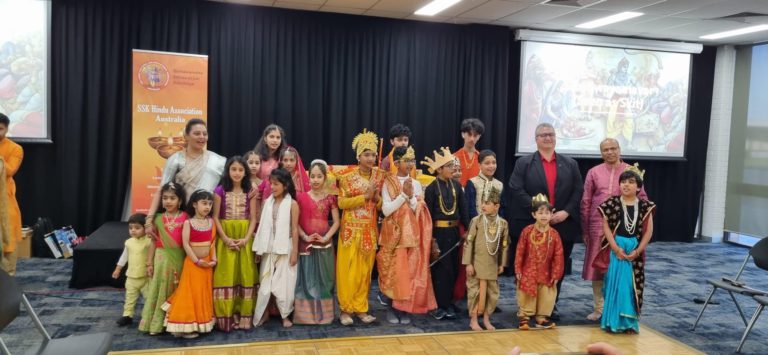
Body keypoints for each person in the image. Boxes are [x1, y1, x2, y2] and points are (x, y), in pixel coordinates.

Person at [507, 122, 582, 320]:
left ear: (555, 137)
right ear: (536, 139)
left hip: (563, 224)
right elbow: (516, 188)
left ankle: (550, 306)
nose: (547, 138)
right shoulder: (524, 163)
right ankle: (526, 306)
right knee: (528, 266)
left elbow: (578, 191)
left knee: (557, 266)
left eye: (551, 134)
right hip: (530, 224)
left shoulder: (570, 163)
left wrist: (566, 212)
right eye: (543, 135)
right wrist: (540, 210)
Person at [580, 138, 647, 321]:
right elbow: (586, 201)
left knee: (621, 267)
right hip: (597, 227)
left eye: (613, 148)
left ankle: (617, 306)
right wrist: (585, 229)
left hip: (624, 230)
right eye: (605, 149)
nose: (609, 152)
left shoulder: (630, 171)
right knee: (598, 269)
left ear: (619, 149)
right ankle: (599, 308)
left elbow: (643, 200)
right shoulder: (594, 172)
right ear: (601, 153)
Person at [377, 146, 436, 324]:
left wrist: (411, 197)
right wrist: (404, 194)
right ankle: (391, 308)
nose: (411, 164)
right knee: (393, 273)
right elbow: (386, 210)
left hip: (411, 236)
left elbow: (417, 208)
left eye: (412, 160)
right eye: (407, 160)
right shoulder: (388, 182)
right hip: (393, 236)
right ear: (396, 163)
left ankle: (405, 310)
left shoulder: (416, 183)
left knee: (408, 274)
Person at [599, 164, 655, 334]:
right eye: (623, 181)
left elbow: (648, 231)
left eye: (631, 182)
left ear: (638, 187)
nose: (626, 185)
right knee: (614, 285)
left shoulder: (646, 206)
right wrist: (616, 248)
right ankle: (612, 321)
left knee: (631, 286)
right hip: (617, 250)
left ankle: (629, 323)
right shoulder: (611, 203)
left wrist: (637, 252)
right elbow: (606, 227)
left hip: (634, 251)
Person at [336, 129, 385, 326]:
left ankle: (361, 308)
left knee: (365, 272)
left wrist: (376, 198)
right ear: (358, 156)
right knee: (347, 271)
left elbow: (381, 207)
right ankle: (345, 310)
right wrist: (363, 197)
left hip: (368, 230)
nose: (371, 158)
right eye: (366, 154)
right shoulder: (347, 178)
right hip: (350, 231)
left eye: (373, 154)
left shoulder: (380, 177)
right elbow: (341, 203)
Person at [145, 119, 225, 238]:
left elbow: (229, 188)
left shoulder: (218, 161)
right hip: (180, 218)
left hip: (206, 219)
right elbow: (162, 190)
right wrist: (149, 220)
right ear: (186, 136)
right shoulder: (176, 159)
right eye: (197, 133)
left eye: (205, 133)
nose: (202, 137)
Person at [212, 156, 259, 331]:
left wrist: (247, 238)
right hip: (226, 237)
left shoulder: (250, 191)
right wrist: (224, 239)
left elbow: (254, 218)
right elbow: (215, 217)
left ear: (245, 172)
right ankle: (227, 315)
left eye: (240, 170)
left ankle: (244, 314)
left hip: (244, 237)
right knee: (227, 273)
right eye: (234, 169)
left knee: (245, 273)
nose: (237, 173)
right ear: (228, 171)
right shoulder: (219, 191)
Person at [422, 147, 469, 320]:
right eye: (449, 166)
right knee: (441, 269)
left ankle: (449, 302)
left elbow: (463, 210)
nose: (453, 169)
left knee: (454, 268)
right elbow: (428, 216)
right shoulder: (432, 188)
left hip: (455, 231)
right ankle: (439, 305)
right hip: (439, 233)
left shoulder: (457, 185)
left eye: (453, 166)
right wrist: (432, 238)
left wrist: (468, 229)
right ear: (439, 169)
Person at [163, 190, 217, 338]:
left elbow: (212, 243)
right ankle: (184, 326)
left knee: (202, 293)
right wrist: (197, 261)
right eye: (204, 203)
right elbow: (186, 244)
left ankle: (199, 324)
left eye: (210, 204)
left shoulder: (211, 222)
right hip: (193, 265)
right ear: (194, 204)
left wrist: (214, 260)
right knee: (189, 293)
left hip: (207, 265)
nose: (207, 207)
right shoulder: (188, 222)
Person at [294, 160, 340, 325]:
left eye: (319, 176)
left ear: (325, 178)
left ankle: (324, 316)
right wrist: (305, 237)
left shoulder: (331, 198)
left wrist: (327, 237)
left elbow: (336, 222)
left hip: (325, 244)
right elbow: (295, 222)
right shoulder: (301, 197)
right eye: (312, 176)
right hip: (306, 244)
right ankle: (306, 316)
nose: (315, 180)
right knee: (307, 279)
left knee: (325, 279)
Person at [138, 182, 188, 335]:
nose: (168, 201)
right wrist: (149, 263)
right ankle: (157, 323)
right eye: (165, 198)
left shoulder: (186, 217)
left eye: (172, 198)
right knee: (159, 289)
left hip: (179, 258)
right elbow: (153, 241)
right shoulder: (158, 218)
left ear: (180, 201)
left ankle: (174, 322)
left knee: (177, 288)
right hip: (160, 258)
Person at [253, 168, 299, 328]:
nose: (272, 187)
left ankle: (285, 315)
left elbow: (294, 229)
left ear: (285, 185)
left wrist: (295, 252)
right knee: (265, 283)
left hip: (285, 248)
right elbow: (262, 227)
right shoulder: (267, 203)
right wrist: (259, 249)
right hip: (268, 247)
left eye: (276, 184)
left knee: (284, 284)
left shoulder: (292, 204)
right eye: (271, 183)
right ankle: (264, 313)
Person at [462, 186, 509, 331]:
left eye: (487, 203)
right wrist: (468, 263)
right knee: (475, 291)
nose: (483, 206)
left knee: (491, 293)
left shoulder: (503, 224)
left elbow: (504, 245)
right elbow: (468, 242)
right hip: (476, 264)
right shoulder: (476, 221)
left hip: (492, 265)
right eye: (482, 202)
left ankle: (487, 319)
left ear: (496, 206)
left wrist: (502, 264)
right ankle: (474, 320)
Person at [515, 194, 564, 330]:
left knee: (546, 293)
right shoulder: (527, 231)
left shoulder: (554, 234)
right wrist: (518, 269)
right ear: (533, 214)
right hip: (528, 270)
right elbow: (520, 251)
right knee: (526, 293)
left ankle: (541, 318)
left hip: (546, 271)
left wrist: (556, 274)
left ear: (551, 215)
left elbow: (558, 255)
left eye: (547, 213)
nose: (544, 216)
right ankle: (524, 317)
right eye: (540, 212)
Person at [112, 213, 152, 326]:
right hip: (131, 277)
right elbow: (124, 257)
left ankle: (147, 316)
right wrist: (118, 269)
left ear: (146, 228)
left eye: (137, 228)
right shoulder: (129, 242)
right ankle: (127, 315)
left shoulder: (149, 241)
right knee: (130, 297)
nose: (133, 230)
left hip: (146, 277)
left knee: (149, 298)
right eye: (131, 228)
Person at [0, 112, 23, 275]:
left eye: (0, 129)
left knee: (7, 237)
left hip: (4, 201)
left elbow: (9, 170)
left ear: (7, 129)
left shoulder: (15, 148)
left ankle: (7, 279)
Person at [454, 118, 485, 187]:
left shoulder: (482, 158)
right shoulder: (453, 157)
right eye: (469, 134)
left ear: (479, 137)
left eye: (475, 135)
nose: (472, 139)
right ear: (463, 134)